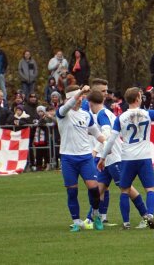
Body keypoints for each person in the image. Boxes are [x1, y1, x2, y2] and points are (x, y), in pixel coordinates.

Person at [97, 85, 154, 229]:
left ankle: (126, 223)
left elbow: (111, 140)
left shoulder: (120, 118)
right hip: (144, 157)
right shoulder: (148, 113)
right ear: (138, 98)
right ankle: (149, 216)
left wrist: (102, 158)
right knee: (150, 189)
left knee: (125, 190)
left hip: (127, 158)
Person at [87, 90, 150, 229]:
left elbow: (106, 133)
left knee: (126, 188)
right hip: (108, 159)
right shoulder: (107, 112)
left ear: (90, 103)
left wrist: (96, 150)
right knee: (99, 188)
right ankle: (90, 218)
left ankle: (146, 216)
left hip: (114, 157)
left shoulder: (101, 114)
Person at [56, 84, 106, 232]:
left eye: (81, 97)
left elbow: (97, 133)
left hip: (85, 157)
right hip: (68, 158)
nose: (80, 100)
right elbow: (69, 104)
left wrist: (107, 142)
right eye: (77, 97)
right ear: (69, 98)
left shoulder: (86, 115)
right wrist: (79, 92)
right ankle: (76, 221)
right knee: (72, 191)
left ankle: (96, 214)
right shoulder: (63, 112)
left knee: (94, 188)